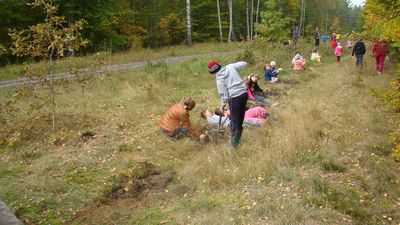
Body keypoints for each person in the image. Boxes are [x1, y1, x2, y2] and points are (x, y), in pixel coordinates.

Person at [208, 60, 248, 148]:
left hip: (234, 98)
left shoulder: (219, 79)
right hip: (244, 94)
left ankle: (233, 147)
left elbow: (224, 96)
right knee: (240, 119)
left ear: (213, 72)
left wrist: (222, 106)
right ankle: (238, 140)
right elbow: (244, 63)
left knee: (234, 123)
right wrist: (235, 72)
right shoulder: (230, 67)